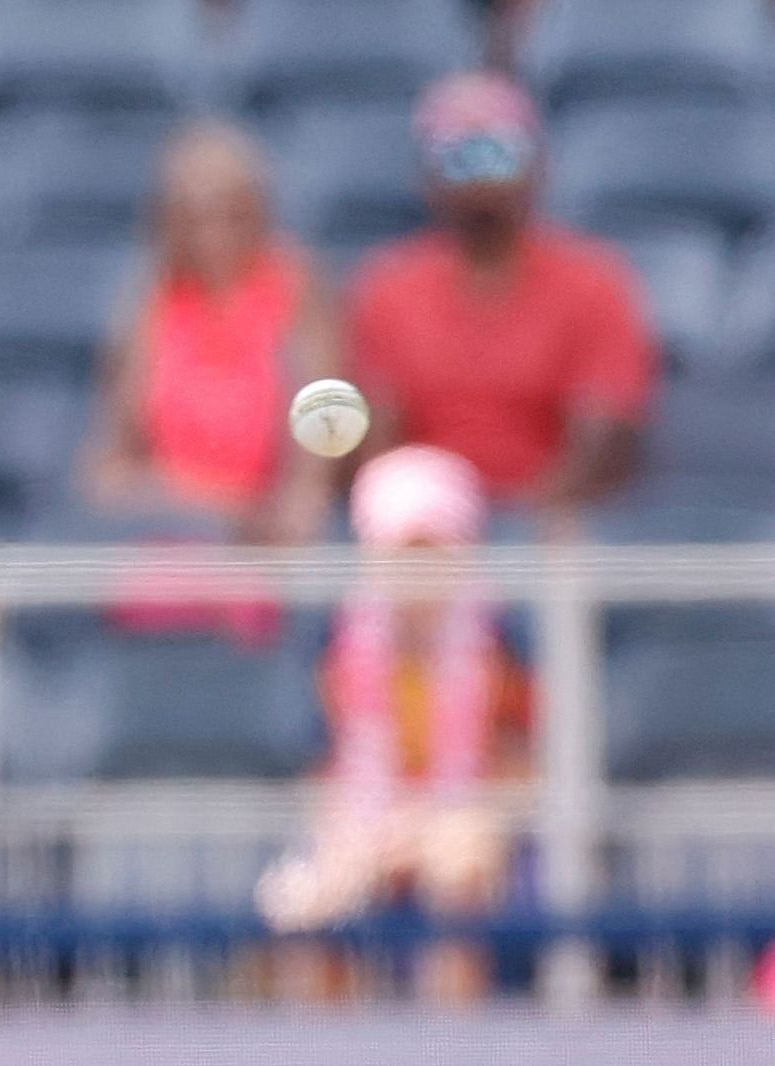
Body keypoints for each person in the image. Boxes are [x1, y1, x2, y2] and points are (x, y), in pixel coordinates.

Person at [256, 444, 529, 1003]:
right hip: (364, 821)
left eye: (432, 553)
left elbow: (527, 766)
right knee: (314, 894)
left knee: (459, 866)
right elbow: (319, 769)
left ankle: (454, 1056)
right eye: (402, 555)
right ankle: (328, 1065)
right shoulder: (333, 647)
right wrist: (370, 836)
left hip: (469, 821)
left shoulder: (505, 646)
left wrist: (430, 824)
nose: (416, 575)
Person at [348, 71, 656, 537]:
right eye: (459, 159)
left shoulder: (594, 282)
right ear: (427, 176)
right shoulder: (388, 288)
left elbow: (606, 435)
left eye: (498, 155)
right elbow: (381, 441)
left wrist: (524, 526)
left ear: (537, 167)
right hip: (424, 532)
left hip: (549, 523)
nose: (481, 179)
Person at [83, 120, 340, 546]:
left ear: (259, 208)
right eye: (193, 212)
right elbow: (109, 471)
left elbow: (320, 440)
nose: (213, 230)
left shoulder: (297, 286)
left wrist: (289, 511)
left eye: (231, 211)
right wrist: (214, 509)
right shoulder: (150, 302)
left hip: (266, 543)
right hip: (173, 533)